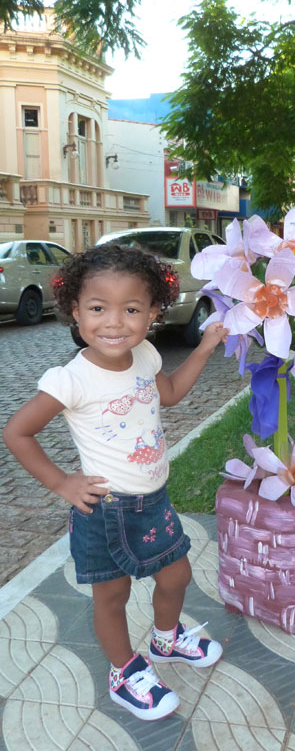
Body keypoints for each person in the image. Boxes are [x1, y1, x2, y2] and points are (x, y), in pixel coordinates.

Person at [2, 243, 229, 721]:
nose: (114, 322)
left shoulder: (144, 354)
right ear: (75, 311)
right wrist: (63, 482)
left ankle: (166, 641)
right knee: (113, 595)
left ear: (152, 313)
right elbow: (17, 432)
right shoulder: (70, 380)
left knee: (177, 575)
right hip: (105, 510)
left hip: (154, 501)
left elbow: (167, 395)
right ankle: (124, 670)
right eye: (98, 308)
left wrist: (206, 347)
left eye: (131, 309)